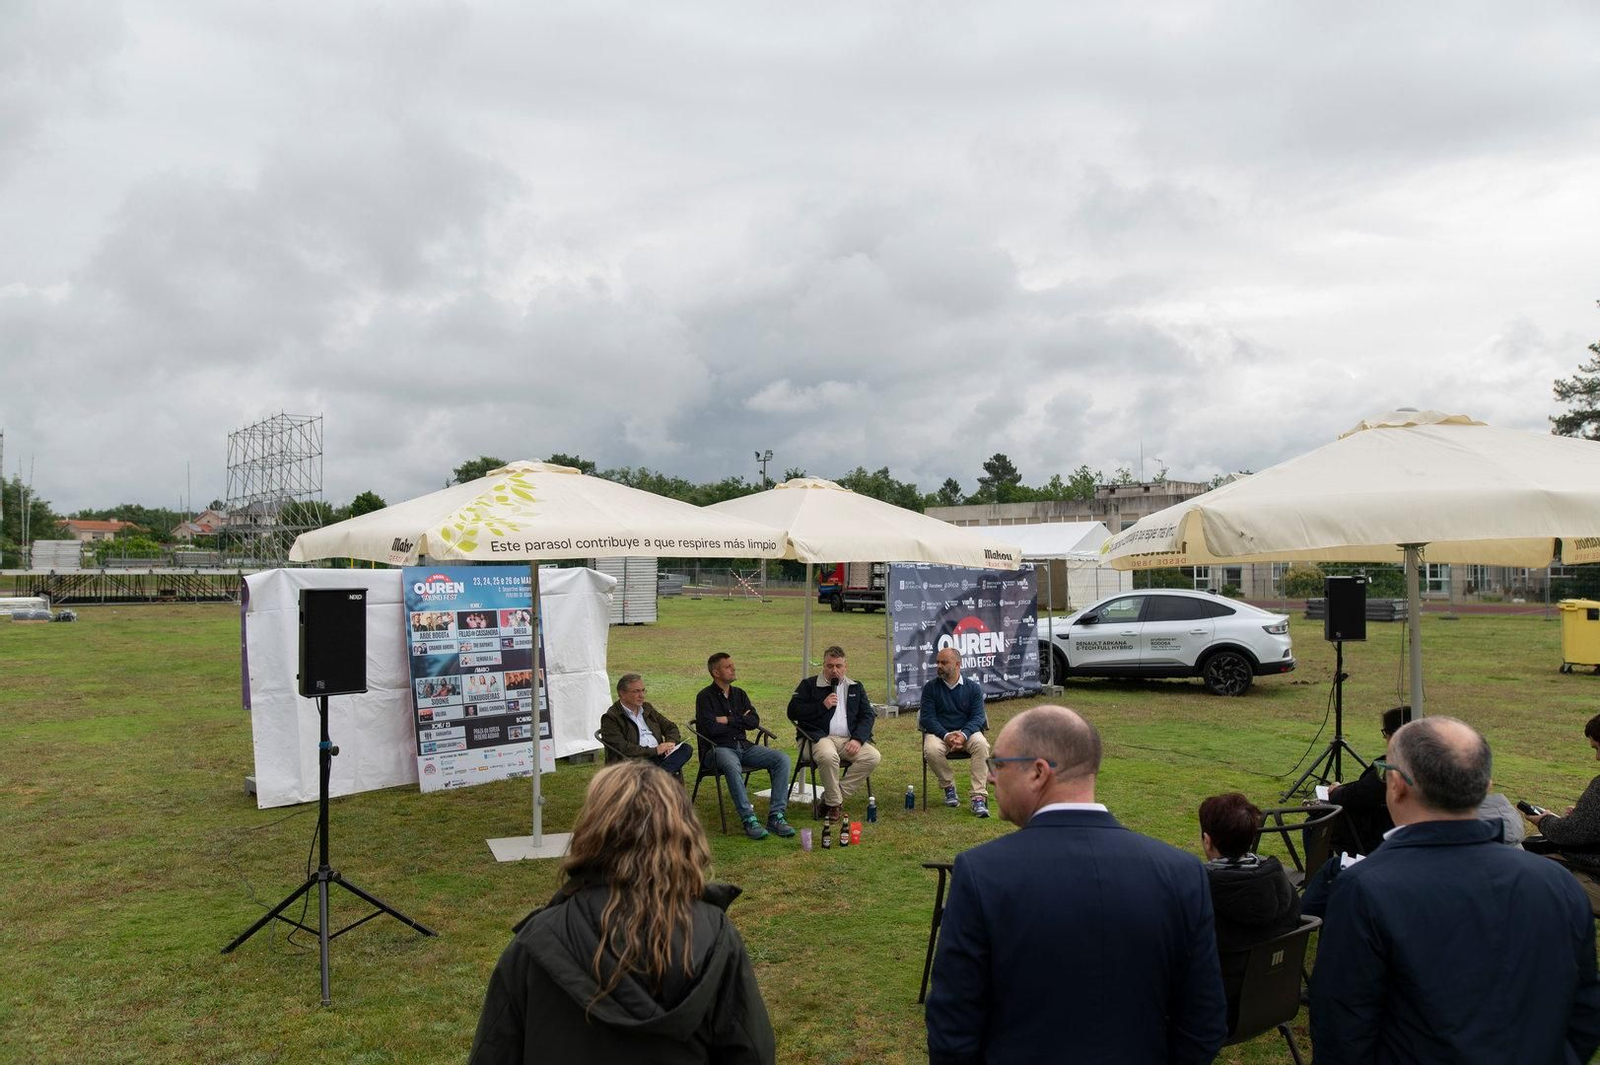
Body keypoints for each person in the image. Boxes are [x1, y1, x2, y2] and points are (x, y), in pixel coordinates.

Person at [926, 706, 1227, 1064]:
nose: (991, 778)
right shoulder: (1182, 873)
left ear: (1038, 772)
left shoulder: (981, 874)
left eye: (999, 765)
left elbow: (952, 1031)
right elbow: (1204, 1023)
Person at [1310, 716, 1600, 1064]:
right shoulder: (1557, 882)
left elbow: (1342, 1030)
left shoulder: (1365, 889)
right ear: (1484, 785)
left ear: (1397, 785)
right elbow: (1583, 1013)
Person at [468, 762, 776, 1064]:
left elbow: (492, 1052)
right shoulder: (714, 934)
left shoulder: (535, 941)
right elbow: (753, 1053)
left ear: (591, 829)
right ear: (683, 834)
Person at [1198, 792, 1301, 1032]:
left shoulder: (1197, 896)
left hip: (1215, 1012)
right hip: (1273, 1000)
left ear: (1207, 840)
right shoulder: (1283, 887)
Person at [694, 652, 795, 840]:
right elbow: (710, 729)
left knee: (782, 758)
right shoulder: (704, 697)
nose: (733, 669)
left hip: (744, 746)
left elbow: (754, 721)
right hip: (717, 749)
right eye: (728, 667)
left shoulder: (739, 694)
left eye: (733, 665)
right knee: (732, 765)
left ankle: (776, 816)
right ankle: (748, 819)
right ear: (716, 672)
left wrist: (727, 719)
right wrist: (740, 720)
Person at [787, 645, 883, 823]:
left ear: (845, 667)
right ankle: (834, 804)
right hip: (817, 738)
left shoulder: (855, 687)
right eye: (830, 666)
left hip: (848, 739)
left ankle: (830, 798)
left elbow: (868, 715)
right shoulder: (809, 685)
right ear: (823, 666)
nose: (834, 671)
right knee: (827, 755)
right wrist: (821, 706)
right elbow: (792, 711)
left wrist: (858, 739)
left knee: (873, 756)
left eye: (838, 666)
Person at [1324, 705, 1410, 856]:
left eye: (1386, 733)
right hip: (1396, 836)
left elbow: (1360, 794)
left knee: (1316, 825)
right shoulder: (1431, 763)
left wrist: (1336, 790)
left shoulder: (1392, 768)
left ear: (1394, 735)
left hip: (1375, 837)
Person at [918, 647, 991, 817]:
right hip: (940, 734)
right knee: (930, 750)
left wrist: (964, 734)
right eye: (937, 662)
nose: (939, 666)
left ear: (958, 664)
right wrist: (946, 735)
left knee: (982, 744)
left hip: (967, 733)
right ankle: (948, 786)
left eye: (944, 662)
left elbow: (978, 716)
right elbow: (927, 718)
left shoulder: (973, 688)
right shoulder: (930, 688)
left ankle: (978, 797)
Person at [1526, 712, 1600, 873]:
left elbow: (1571, 833)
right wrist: (1585, 815)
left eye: (1598, 748)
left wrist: (1543, 820)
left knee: (1527, 867)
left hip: (1591, 874)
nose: (1597, 757)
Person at [599, 673, 693, 775]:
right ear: (622, 693)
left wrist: (670, 743)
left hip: (660, 755)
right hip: (635, 760)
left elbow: (670, 727)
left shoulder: (647, 708)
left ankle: (657, 777)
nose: (642, 695)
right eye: (636, 691)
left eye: (643, 690)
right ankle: (661, 777)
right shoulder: (611, 717)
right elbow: (623, 748)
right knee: (654, 764)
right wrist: (654, 751)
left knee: (686, 749)